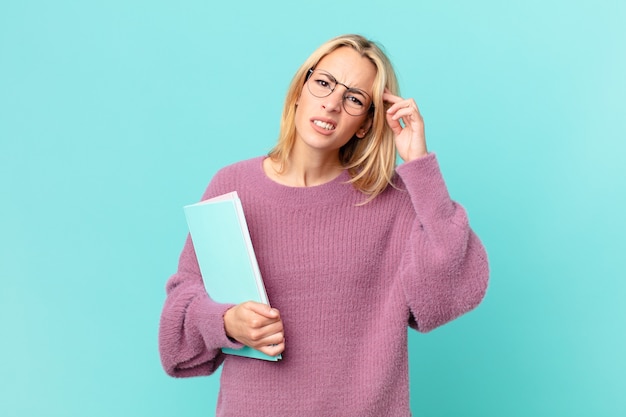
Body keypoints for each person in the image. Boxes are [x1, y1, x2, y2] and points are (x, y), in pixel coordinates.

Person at [159, 34, 489, 416]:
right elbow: (177, 329)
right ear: (301, 88)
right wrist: (226, 321)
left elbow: (457, 285)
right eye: (324, 83)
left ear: (366, 124)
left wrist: (419, 163)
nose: (332, 103)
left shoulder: (393, 200)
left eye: (353, 99)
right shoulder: (231, 186)